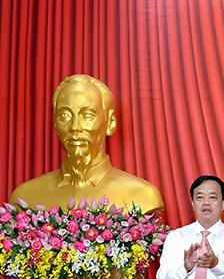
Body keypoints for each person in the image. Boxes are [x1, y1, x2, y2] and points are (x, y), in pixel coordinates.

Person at [9, 73, 163, 211]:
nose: (74, 127)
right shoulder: (26, 197)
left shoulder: (143, 196)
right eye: (65, 116)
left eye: (87, 115)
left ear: (110, 123)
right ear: (55, 124)